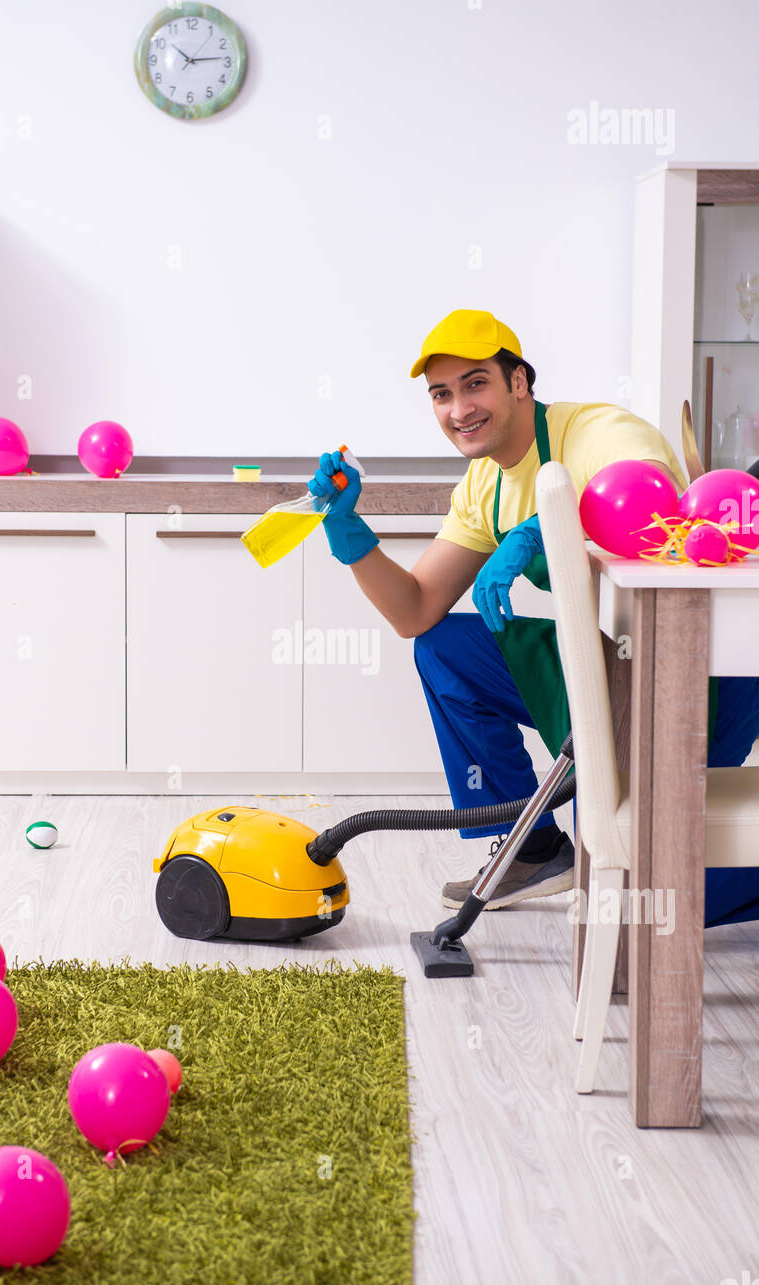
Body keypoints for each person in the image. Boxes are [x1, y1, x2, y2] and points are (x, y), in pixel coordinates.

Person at [309, 308, 759, 925]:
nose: (459, 408)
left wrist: (537, 530)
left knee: (647, 898)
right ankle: (534, 847)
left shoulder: (595, 431)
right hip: (610, 662)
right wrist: (350, 535)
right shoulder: (481, 487)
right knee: (443, 648)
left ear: (518, 382)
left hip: (699, 674)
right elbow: (415, 610)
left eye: (476, 383)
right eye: (442, 394)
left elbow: (647, 492)